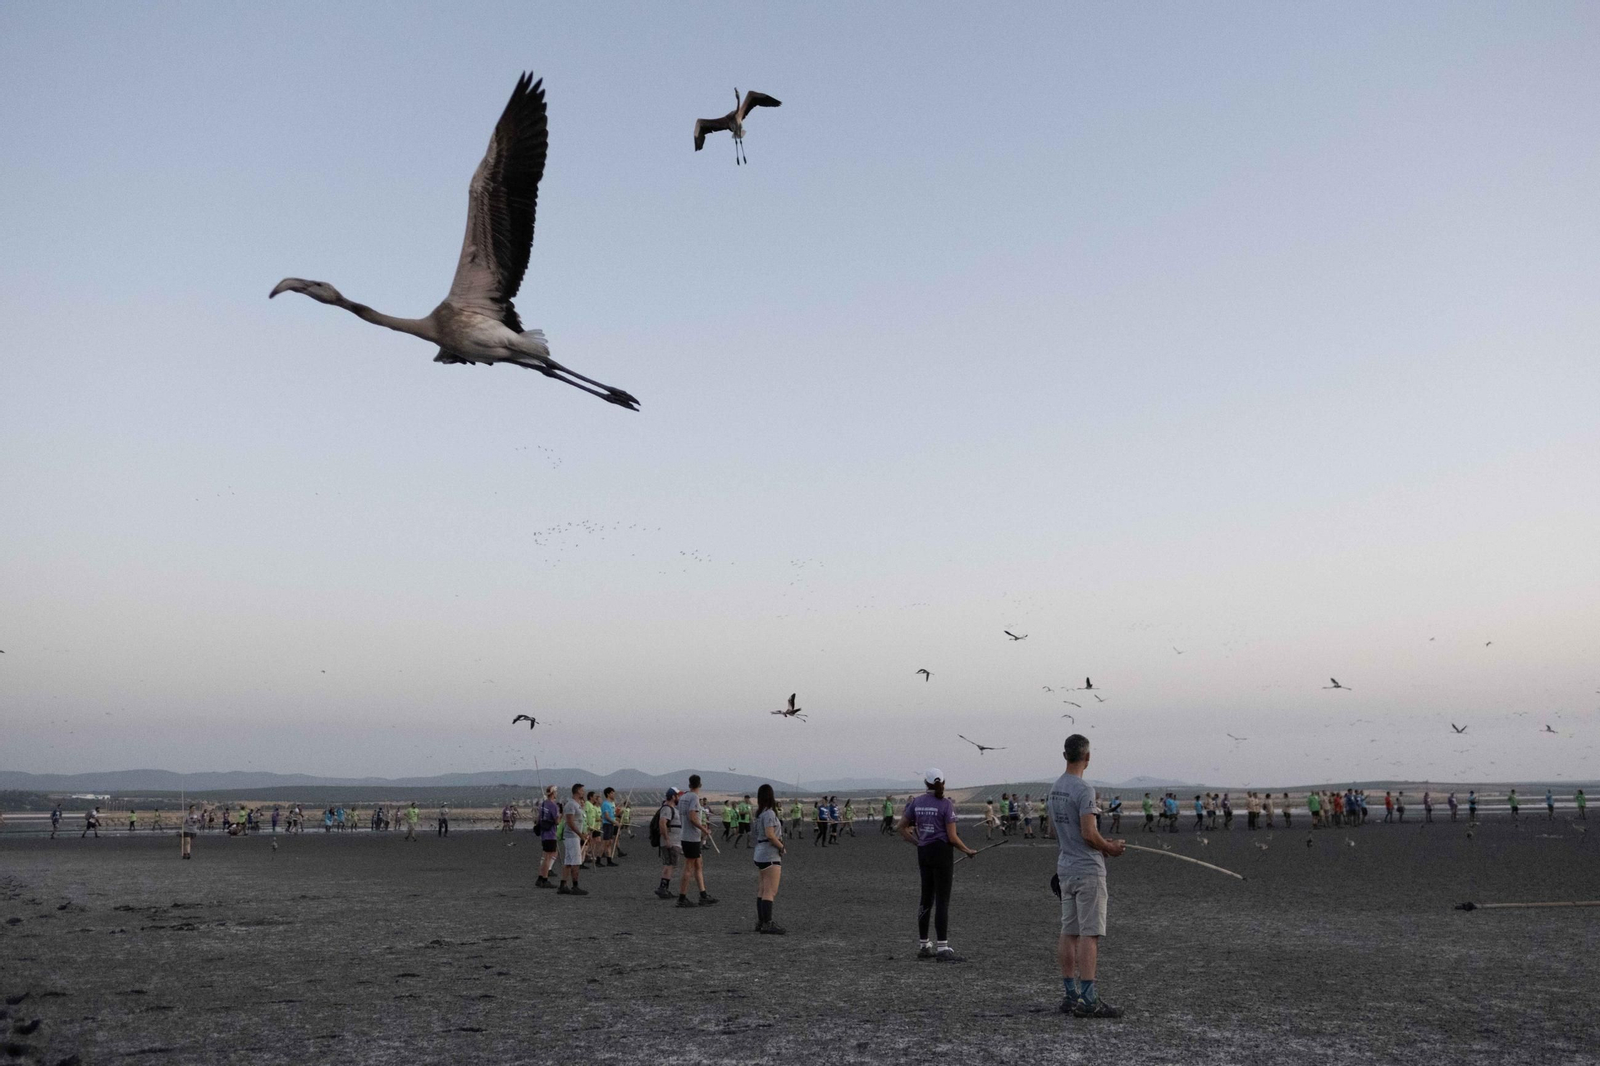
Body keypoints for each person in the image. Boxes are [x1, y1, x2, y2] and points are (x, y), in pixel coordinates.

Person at [1051, 734, 1125, 1018]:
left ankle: (1070, 995)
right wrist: (1109, 847)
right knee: (1089, 935)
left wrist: (1095, 842)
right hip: (1086, 870)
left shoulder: (1055, 788)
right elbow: (1087, 832)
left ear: (1064, 755)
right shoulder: (1084, 789)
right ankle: (1088, 999)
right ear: (1087, 757)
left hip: (1065, 867)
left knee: (1068, 931)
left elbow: (1054, 832)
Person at [898, 768, 976, 961]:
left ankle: (924, 945)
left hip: (923, 853)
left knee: (926, 898)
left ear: (926, 783)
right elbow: (952, 837)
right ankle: (942, 947)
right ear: (943, 782)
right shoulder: (946, 804)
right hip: (941, 853)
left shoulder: (916, 802)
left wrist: (917, 842)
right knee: (942, 899)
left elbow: (901, 827)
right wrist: (967, 850)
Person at [752, 784, 787, 934]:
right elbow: (770, 834)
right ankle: (768, 923)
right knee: (770, 890)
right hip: (769, 854)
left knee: (762, 889)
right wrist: (781, 847)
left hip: (759, 853)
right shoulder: (770, 814)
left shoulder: (759, 814)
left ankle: (761, 921)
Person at [676, 775, 716, 908]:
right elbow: (692, 817)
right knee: (689, 867)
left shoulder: (682, 797)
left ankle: (703, 895)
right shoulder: (693, 797)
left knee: (698, 864)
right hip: (691, 837)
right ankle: (682, 898)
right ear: (700, 784)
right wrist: (704, 829)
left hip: (686, 835)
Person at [558, 784, 589, 896]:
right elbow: (570, 822)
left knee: (568, 861)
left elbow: (579, 821)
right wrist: (580, 835)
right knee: (575, 861)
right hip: (572, 837)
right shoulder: (571, 804)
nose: (583, 792)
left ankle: (563, 885)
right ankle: (575, 886)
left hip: (574, 836)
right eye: (582, 790)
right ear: (577, 791)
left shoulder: (577, 804)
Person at [655, 787, 682, 899]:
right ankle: (663, 888)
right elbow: (662, 823)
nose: (679, 797)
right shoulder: (667, 808)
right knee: (670, 865)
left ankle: (664, 888)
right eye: (677, 795)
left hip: (673, 841)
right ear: (672, 796)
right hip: (671, 842)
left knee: (670, 864)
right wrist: (667, 839)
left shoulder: (672, 809)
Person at [534, 786, 561, 888]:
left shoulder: (542, 804)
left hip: (544, 834)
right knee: (548, 858)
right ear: (553, 793)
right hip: (550, 834)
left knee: (546, 856)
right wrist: (561, 815)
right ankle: (545, 879)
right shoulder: (553, 805)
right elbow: (557, 821)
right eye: (556, 791)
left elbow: (538, 819)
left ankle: (540, 878)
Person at [599, 788, 620, 866]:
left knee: (609, 843)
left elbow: (612, 815)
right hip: (607, 825)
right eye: (612, 793)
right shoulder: (605, 804)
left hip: (611, 825)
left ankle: (609, 860)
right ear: (608, 794)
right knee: (605, 843)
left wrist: (617, 813)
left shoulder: (611, 804)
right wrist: (616, 822)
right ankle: (598, 860)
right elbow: (607, 817)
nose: (613, 794)